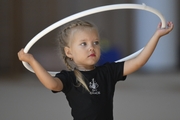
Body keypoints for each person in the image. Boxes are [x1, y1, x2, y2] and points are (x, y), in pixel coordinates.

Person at [17, 20, 173, 120]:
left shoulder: (108, 71)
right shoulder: (69, 78)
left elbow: (139, 61)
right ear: (69, 52)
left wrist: (157, 35)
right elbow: (51, 84)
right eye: (83, 44)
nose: (91, 47)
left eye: (96, 42)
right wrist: (31, 60)